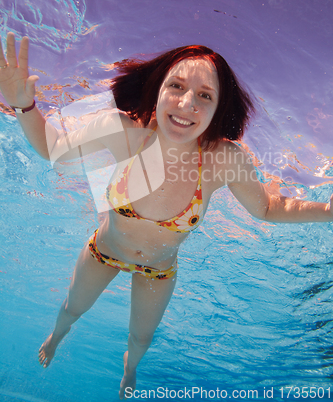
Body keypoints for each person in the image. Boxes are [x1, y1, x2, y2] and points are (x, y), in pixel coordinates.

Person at [0, 32, 332, 399]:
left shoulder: (223, 159)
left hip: (159, 270)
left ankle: (130, 368)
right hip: (103, 251)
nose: (187, 102)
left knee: (141, 337)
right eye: (176, 85)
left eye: (205, 95)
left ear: (218, 109)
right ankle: (56, 337)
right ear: (158, 88)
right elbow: (54, 149)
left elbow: (270, 207)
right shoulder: (123, 131)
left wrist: (330, 211)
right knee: (71, 308)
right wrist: (24, 105)